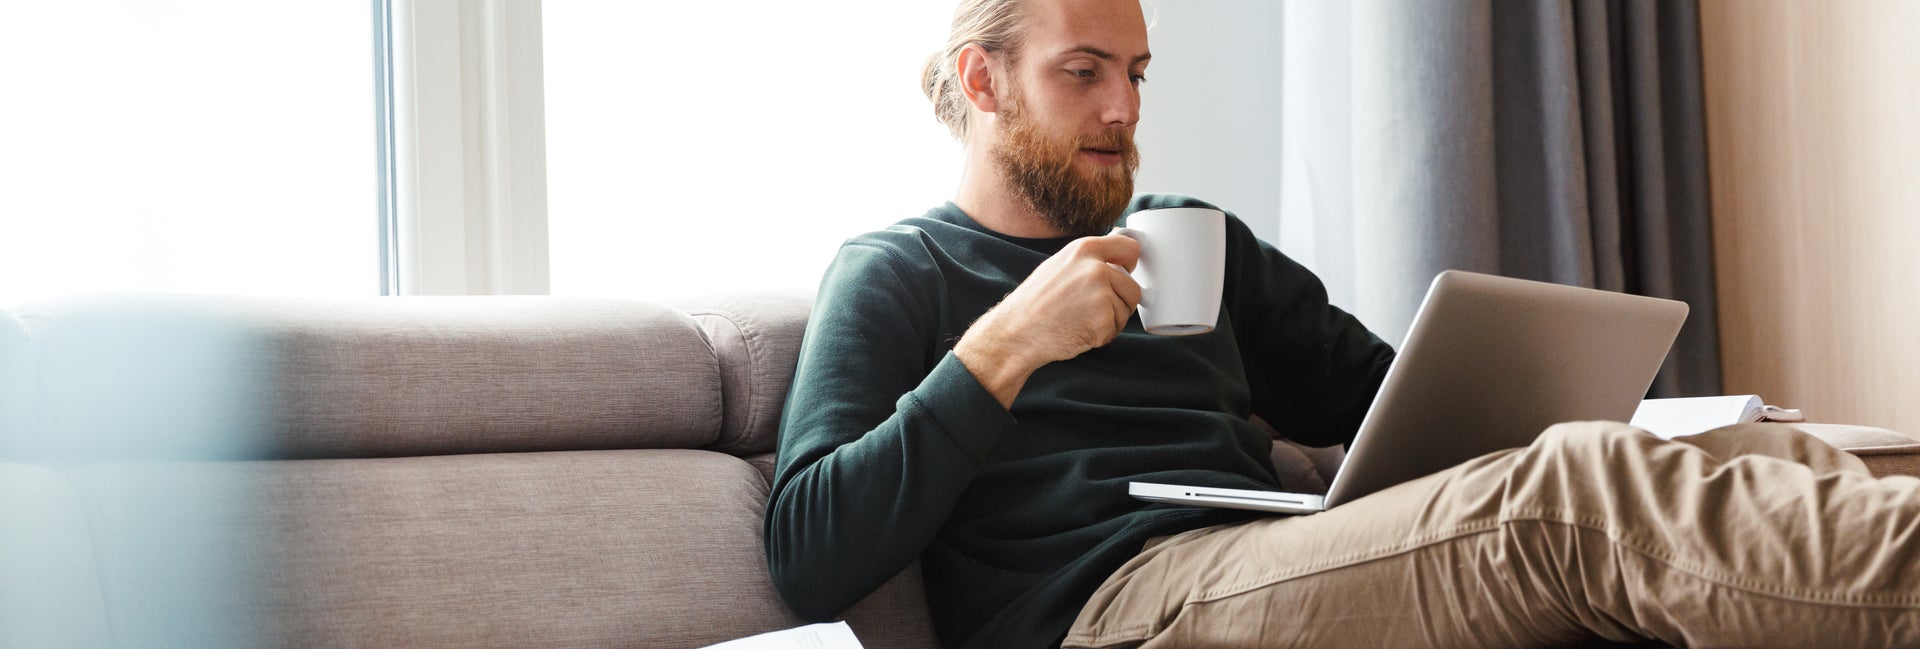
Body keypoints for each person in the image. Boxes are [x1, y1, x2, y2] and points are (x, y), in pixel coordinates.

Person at [763, 0, 1920, 647]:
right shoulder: (899, 271)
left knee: (1748, 453)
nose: (1124, 107)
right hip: (1111, 610)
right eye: (1083, 73)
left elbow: (1384, 397)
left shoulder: (1186, 233)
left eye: (1137, 72)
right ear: (983, 82)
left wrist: (1514, 387)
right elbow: (812, 553)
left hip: (1262, 560)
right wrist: (1006, 344)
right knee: (1573, 492)